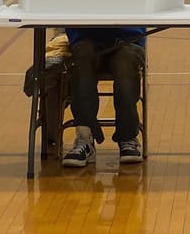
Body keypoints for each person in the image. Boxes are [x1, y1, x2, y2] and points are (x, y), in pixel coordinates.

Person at [60, 26, 145, 168]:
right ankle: (84, 137)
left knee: (125, 63)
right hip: (85, 38)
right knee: (82, 55)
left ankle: (128, 137)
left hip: (127, 39)